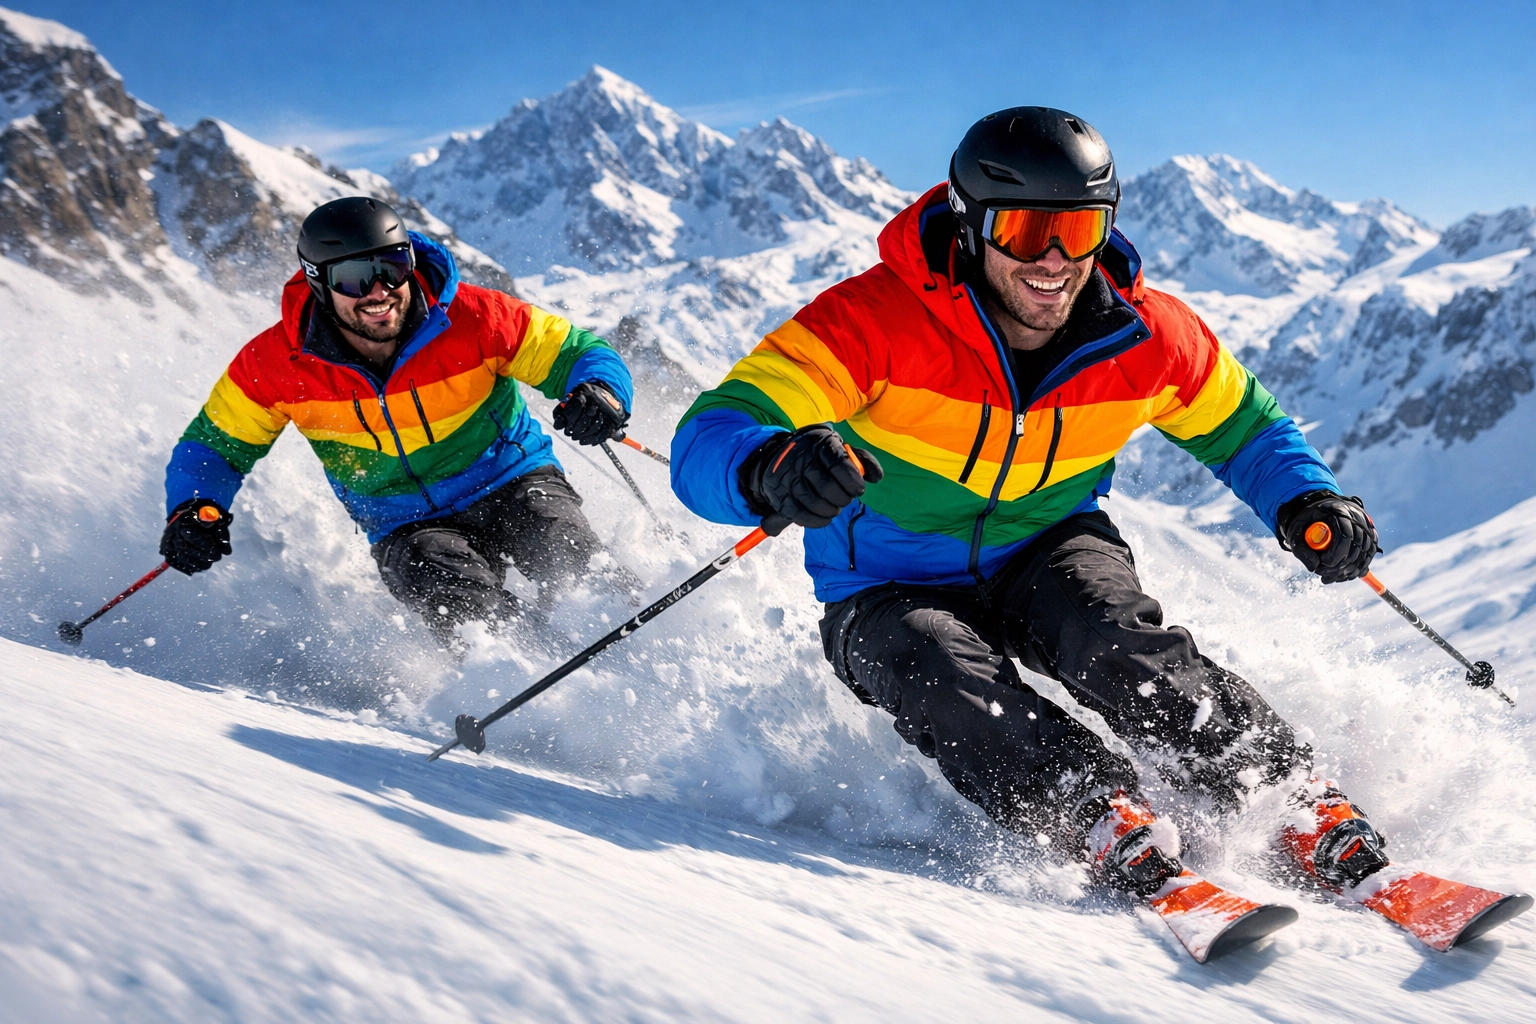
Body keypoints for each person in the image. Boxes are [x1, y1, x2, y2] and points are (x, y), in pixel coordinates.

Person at [670, 108, 1391, 894]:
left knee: (1113, 640)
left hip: (1048, 542)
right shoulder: (873, 322)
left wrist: (1309, 500)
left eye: (1078, 232)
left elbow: (1246, 430)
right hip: (885, 580)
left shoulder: (1145, 335)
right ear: (971, 223)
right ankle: (1095, 806)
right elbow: (710, 435)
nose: (1052, 258)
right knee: (937, 669)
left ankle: (1283, 796)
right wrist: (768, 464)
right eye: (1022, 228)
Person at [160, 197, 635, 647]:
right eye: (353, 279)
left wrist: (599, 391)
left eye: (391, 268)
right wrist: (193, 507)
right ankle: (537, 679)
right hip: (407, 522)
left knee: (569, 555)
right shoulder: (275, 364)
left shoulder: (475, 317)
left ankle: (637, 639)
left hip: (511, 478)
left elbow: (575, 350)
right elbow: (215, 447)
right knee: (451, 591)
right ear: (317, 282)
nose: (378, 293)